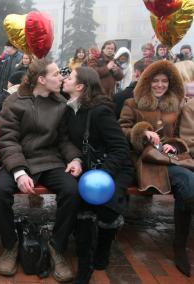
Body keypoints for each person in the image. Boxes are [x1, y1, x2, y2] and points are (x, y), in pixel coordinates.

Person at [0, 58, 82, 282]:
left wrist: (75, 158)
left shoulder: (60, 103)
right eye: (56, 74)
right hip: (18, 160)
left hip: (50, 160)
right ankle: (11, 245)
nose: (62, 77)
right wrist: (19, 172)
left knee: (72, 191)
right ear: (41, 79)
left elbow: (63, 139)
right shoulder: (14, 101)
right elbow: (7, 140)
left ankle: (56, 246)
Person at [119, 60, 194, 277]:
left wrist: (175, 143)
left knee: (188, 186)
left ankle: (179, 246)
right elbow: (121, 129)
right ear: (146, 82)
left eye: (164, 81)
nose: (160, 85)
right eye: (155, 81)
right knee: (185, 182)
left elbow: (183, 136)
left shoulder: (176, 105)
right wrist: (141, 131)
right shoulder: (132, 103)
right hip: (144, 161)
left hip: (169, 160)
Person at [62, 67, 134, 283]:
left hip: (112, 169)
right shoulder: (70, 108)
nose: (65, 79)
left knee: (104, 208)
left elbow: (120, 149)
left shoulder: (99, 111)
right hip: (88, 169)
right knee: (82, 207)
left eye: (70, 77)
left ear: (80, 86)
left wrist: (101, 176)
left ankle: (101, 249)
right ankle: (86, 265)